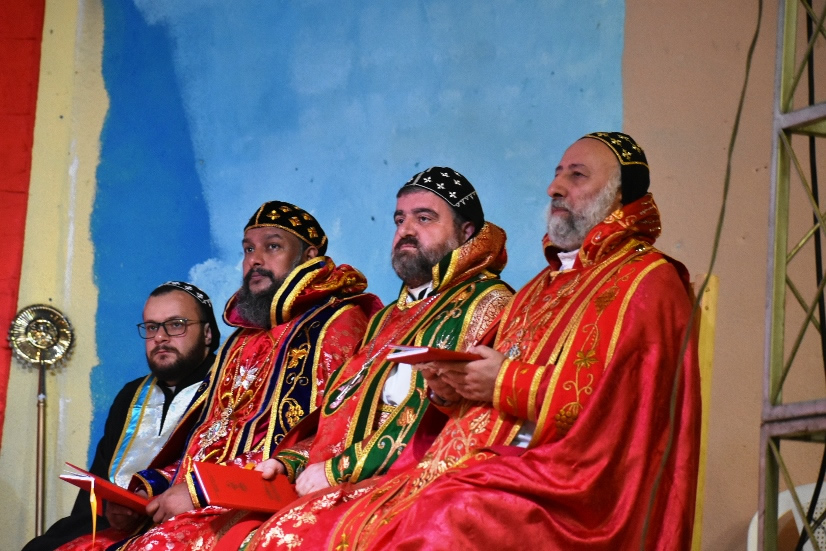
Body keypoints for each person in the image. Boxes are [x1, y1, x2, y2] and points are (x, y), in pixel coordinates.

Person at [247, 132, 701, 550]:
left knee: (440, 516)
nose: (554, 188)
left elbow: (620, 408)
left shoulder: (646, 281)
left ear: (619, 194)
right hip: (483, 466)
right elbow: (468, 406)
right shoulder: (538, 288)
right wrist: (451, 392)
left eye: (576, 175)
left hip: (573, 481)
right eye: (557, 174)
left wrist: (501, 381)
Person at [188, 167, 514, 551]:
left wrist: (335, 471)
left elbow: (445, 422)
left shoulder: (488, 304)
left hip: (409, 484)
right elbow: (341, 414)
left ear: (466, 231)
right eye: (400, 220)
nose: (406, 230)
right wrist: (291, 461)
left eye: (424, 218)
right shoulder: (387, 318)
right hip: (335, 483)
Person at [58, 200, 381, 551]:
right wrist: (149, 490)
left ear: (308, 256)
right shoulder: (242, 340)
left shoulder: (337, 324)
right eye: (248, 249)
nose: (255, 260)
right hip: (199, 502)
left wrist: (199, 491)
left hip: (263, 503)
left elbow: (330, 438)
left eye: (272, 246)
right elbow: (208, 441)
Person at [23, 281, 220, 551]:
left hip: (188, 524)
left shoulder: (227, 389)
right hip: (118, 528)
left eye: (176, 325)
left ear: (207, 333)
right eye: (151, 327)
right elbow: (99, 485)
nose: (160, 337)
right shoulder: (131, 396)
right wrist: (110, 508)